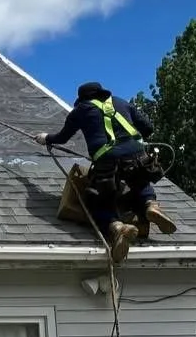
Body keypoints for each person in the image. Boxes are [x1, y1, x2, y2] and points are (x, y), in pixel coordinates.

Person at [34, 82, 177, 262]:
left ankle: (116, 227)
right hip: (138, 157)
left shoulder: (80, 111)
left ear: (82, 99)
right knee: (140, 183)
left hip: (107, 163)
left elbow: (62, 137)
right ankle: (151, 206)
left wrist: (45, 138)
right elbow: (148, 127)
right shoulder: (120, 102)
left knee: (97, 201)